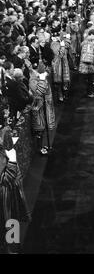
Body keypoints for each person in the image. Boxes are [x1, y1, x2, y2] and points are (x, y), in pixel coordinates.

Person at [0, 108, 30, 253]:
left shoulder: (6, 137)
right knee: (11, 219)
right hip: (6, 194)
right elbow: (10, 176)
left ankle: (12, 247)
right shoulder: (9, 151)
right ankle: (12, 247)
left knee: (10, 220)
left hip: (7, 192)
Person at [29, 66, 56, 155]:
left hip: (43, 106)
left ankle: (42, 146)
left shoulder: (39, 79)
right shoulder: (33, 81)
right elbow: (39, 92)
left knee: (43, 129)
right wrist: (42, 80)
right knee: (39, 129)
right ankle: (39, 148)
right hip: (37, 108)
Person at [79, 29, 94, 98]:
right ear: (91, 34)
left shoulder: (85, 41)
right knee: (89, 78)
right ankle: (89, 92)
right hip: (89, 63)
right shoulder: (89, 42)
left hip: (86, 63)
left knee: (88, 78)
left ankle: (88, 92)